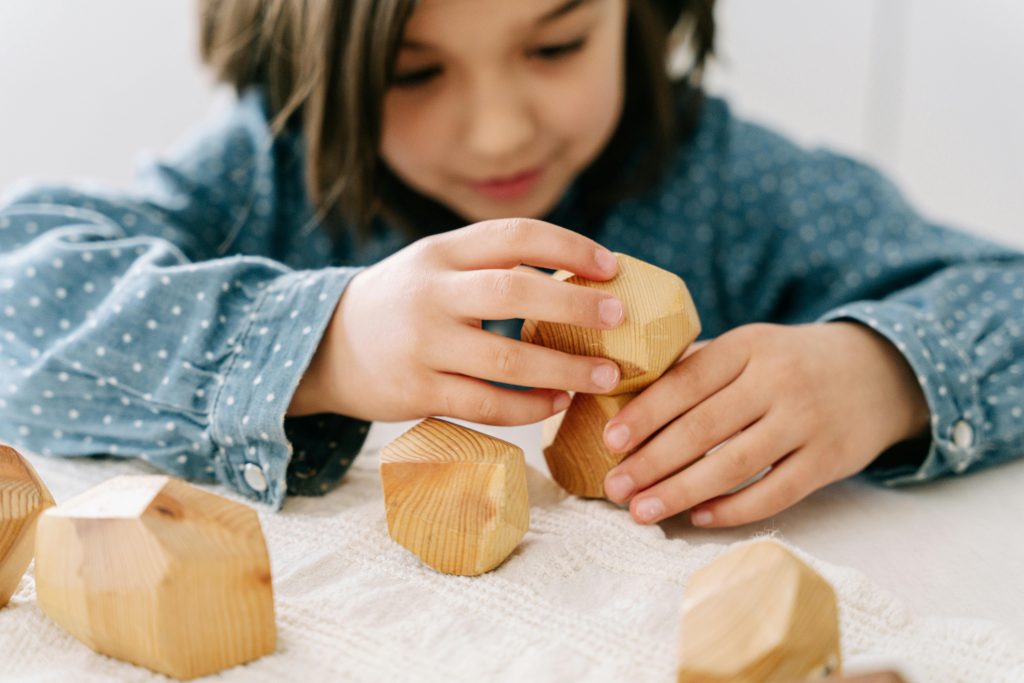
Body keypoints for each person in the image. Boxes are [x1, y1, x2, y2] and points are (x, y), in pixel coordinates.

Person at [1, 0, 1021, 529]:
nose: (497, 133)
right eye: (414, 70)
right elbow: (21, 287)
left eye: (557, 45)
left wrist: (879, 375)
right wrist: (326, 342)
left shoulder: (720, 178)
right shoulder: (273, 167)